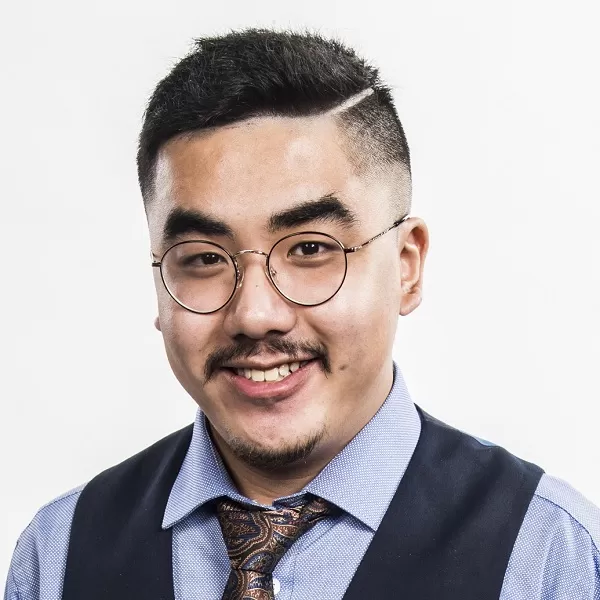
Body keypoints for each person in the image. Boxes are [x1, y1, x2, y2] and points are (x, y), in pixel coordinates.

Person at [4, 28, 600, 600]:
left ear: (407, 266)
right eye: (204, 258)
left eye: (311, 249)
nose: (255, 314)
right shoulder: (59, 555)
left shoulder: (550, 556)